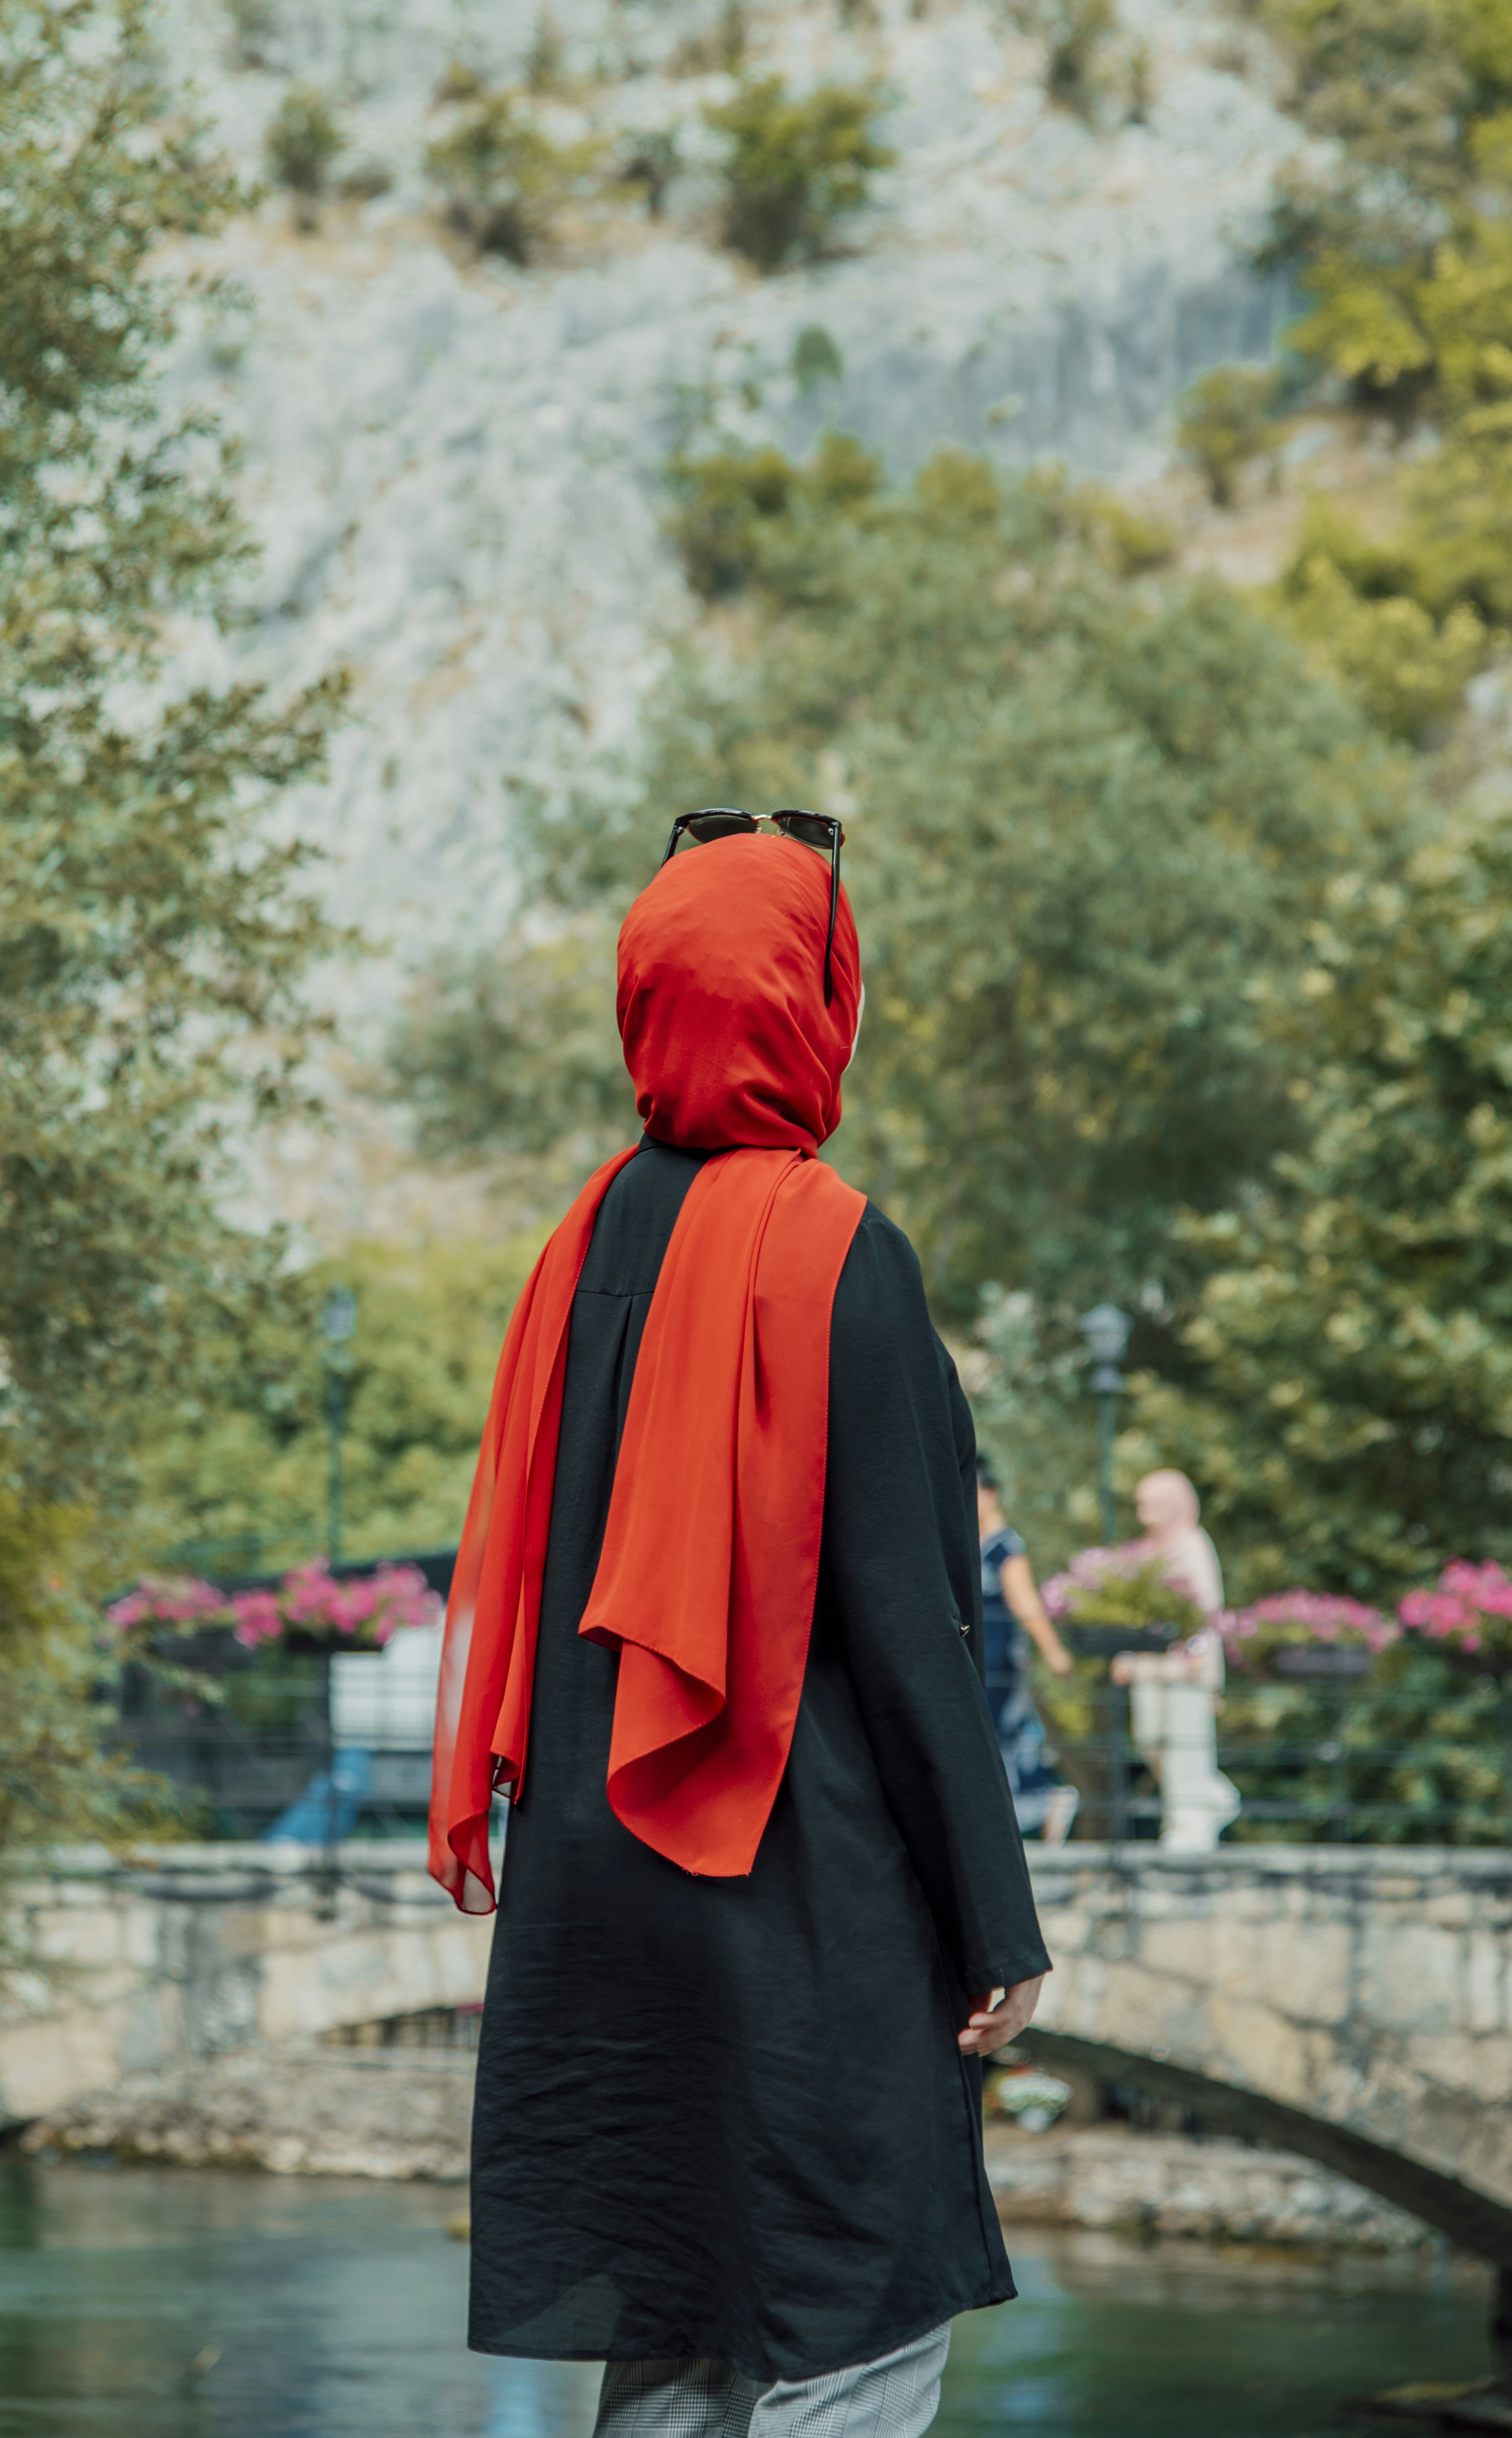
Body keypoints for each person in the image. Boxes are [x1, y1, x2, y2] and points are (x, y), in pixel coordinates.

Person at [429, 813, 1052, 2438]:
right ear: (807, 998)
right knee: (853, 2328)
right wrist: (997, 1918)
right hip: (804, 1894)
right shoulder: (836, 1250)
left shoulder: (575, 1251)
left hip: (601, 1902)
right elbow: (911, 1627)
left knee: (676, 2331)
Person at [1110, 1468, 1241, 1852]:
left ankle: (1190, 1825)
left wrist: (1203, 1662)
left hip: (1187, 1669)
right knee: (1150, 1740)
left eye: (1154, 1504)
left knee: (1185, 1746)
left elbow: (1207, 1609)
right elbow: (1136, 1614)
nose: (1145, 1513)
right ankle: (1215, 1798)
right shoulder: (1146, 1551)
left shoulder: (1192, 1544)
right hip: (1150, 1668)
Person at [974, 1457, 1080, 1842]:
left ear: (991, 1494)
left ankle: (1046, 1798)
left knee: (1002, 1731)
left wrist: (1054, 1652)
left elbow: (1025, 1603)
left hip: (1000, 1658)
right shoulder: (977, 1546)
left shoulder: (1005, 1547)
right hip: (982, 1657)